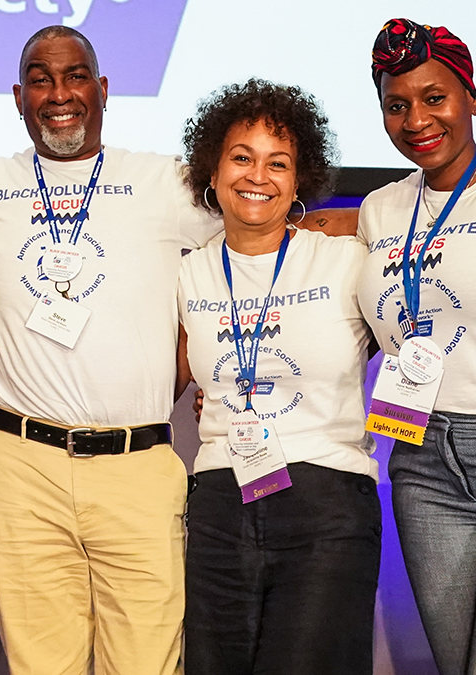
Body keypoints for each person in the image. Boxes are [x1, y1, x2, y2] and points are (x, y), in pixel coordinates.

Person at [0, 25, 229, 672]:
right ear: (18, 96)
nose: (59, 93)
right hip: (22, 466)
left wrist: (183, 364)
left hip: (138, 464)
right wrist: (3, 355)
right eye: (41, 78)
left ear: (103, 89)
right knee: (41, 664)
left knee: (147, 661)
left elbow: (253, 239)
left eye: (75, 76)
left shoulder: (163, 182)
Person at [177, 79, 380, 675]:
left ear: (300, 180)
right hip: (219, 500)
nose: (257, 176)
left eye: (278, 163)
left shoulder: (346, 259)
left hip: (327, 504)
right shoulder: (189, 273)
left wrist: (345, 221)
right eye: (241, 157)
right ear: (212, 172)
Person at [360, 19, 476, 675]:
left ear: (470, 97)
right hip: (418, 455)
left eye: (434, 97)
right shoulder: (381, 209)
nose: (417, 120)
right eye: (396, 105)